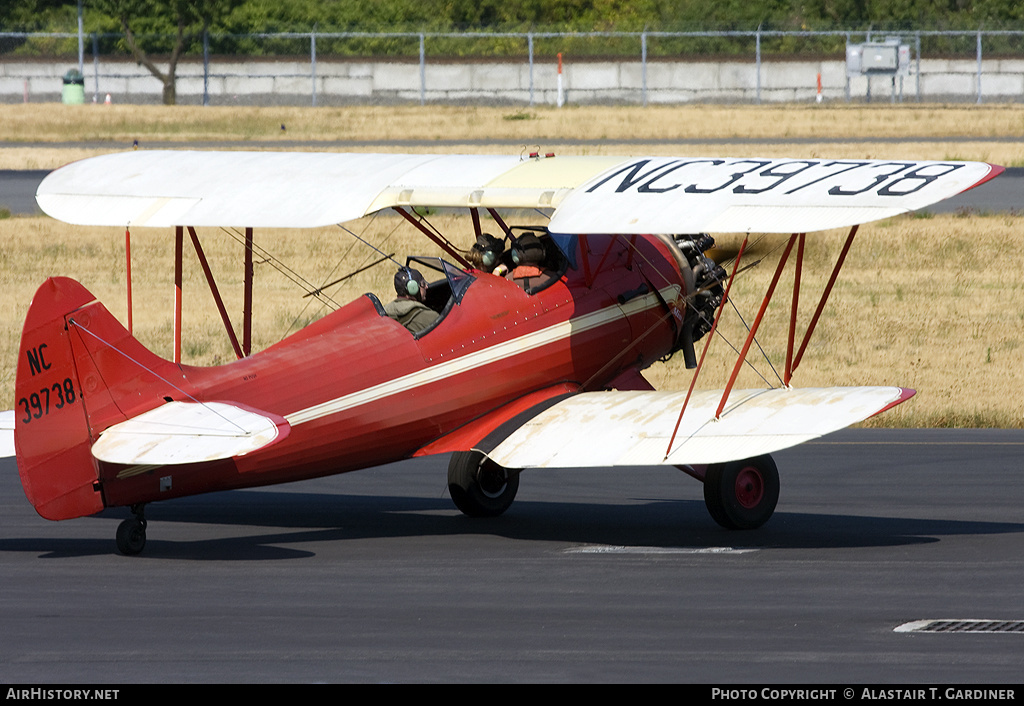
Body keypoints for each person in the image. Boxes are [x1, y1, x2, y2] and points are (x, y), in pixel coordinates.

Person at [384, 267, 439, 334]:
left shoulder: (383, 312)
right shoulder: (431, 317)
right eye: (423, 284)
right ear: (413, 288)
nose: (426, 287)